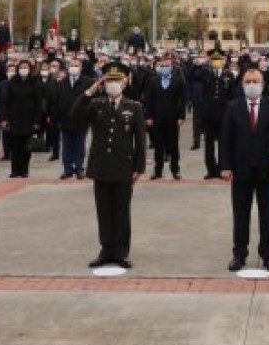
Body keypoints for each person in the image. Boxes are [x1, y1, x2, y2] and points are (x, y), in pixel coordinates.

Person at [71, 62, 147, 269]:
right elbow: (75, 117)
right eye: (109, 81)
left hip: (124, 166)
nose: (113, 84)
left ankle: (121, 251)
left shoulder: (134, 107)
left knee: (121, 210)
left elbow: (140, 140)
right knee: (103, 210)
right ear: (103, 83)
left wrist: (139, 167)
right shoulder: (96, 104)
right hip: (101, 165)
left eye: (117, 80)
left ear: (124, 83)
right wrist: (88, 93)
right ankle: (106, 249)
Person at [220, 68, 269, 273]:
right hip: (241, 171)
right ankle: (239, 254)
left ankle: (267, 254)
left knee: (267, 215)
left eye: (256, 81)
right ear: (242, 84)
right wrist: (225, 166)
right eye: (248, 81)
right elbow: (226, 139)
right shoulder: (233, 107)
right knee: (241, 215)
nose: (252, 85)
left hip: (267, 172)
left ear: (263, 84)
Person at [142, 52, 186, 180]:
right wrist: (148, 116)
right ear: (160, 67)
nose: (165, 68)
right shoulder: (153, 81)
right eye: (163, 66)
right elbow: (148, 100)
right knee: (158, 145)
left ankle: (175, 170)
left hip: (173, 117)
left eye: (167, 66)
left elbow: (182, 100)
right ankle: (158, 171)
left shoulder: (178, 81)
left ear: (172, 67)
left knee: (173, 145)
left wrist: (181, 116)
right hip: (157, 118)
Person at [0, 60, 42, 178]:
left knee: (26, 147)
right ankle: (15, 170)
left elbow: (38, 103)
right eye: (21, 67)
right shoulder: (11, 82)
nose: (24, 69)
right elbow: (5, 101)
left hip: (29, 119)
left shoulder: (35, 83)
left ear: (29, 69)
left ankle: (24, 170)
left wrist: (37, 121)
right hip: (14, 118)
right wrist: (4, 118)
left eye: (26, 67)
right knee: (14, 146)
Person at [198, 51, 235, 178]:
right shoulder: (206, 74)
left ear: (223, 61)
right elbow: (193, 76)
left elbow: (232, 95)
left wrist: (231, 112)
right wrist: (199, 64)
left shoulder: (228, 75)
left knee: (223, 143)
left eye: (218, 60)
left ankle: (222, 168)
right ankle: (211, 170)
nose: (216, 62)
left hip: (223, 115)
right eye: (214, 60)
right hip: (208, 115)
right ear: (210, 62)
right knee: (209, 144)